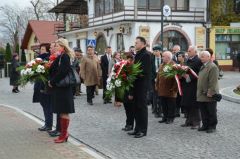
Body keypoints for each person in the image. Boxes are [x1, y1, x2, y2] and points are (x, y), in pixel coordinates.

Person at [48, 38, 75, 143]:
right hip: (60, 88)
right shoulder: (61, 56)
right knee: (61, 112)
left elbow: (62, 72)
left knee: (63, 112)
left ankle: (64, 134)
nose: (56, 47)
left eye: (58, 46)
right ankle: (64, 134)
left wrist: (52, 81)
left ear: (63, 47)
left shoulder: (64, 57)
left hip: (63, 88)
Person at [128, 36, 151, 138]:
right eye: (135, 42)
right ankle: (137, 128)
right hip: (136, 85)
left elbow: (144, 71)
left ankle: (143, 130)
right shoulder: (137, 54)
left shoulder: (146, 55)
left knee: (142, 108)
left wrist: (132, 74)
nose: (135, 44)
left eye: (137, 43)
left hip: (142, 85)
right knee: (136, 107)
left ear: (143, 43)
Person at [197, 51, 219, 133]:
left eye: (203, 56)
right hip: (202, 93)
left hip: (209, 94)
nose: (201, 58)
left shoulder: (212, 67)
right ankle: (205, 125)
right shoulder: (203, 66)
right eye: (200, 56)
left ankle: (212, 126)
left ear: (209, 57)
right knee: (203, 111)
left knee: (211, 111)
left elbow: (213, 81)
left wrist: (210, 92)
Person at [181, 46, 202, 129]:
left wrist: (189, 77)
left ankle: (196, 122)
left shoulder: (198, 60)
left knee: (194, 105)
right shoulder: (187, 60)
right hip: (186, 85)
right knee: (187, 104)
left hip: (194, 85)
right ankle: (189, 121)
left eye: (190, 51)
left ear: (195, 52)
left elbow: (199, 73)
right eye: (188, 51)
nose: (188, 52)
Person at [33, 43, 53, 132]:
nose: (41, 51)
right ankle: (47, 123)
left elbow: (47, 72)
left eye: (43, 49)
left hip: (45, 86)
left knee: (47, 105)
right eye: (40, 49)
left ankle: (48, 125)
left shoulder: (47, 59)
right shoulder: (39, 59)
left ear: (47, 50)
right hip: (39, 85)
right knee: (44, 104)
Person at [156, 51, 178, 124]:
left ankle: (170, 118)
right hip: (162, 89)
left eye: (163, 56)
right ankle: (165, 117)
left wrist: (174, 88)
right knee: (163, 104)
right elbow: (158, 76)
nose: (162, 58)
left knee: (171, 105)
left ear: (168, 57)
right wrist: (156, 85)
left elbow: (176, 79)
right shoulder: (162, 65)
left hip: (170, 89)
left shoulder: (174, 65)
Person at [47, 42, 61, 137]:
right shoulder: (54, 57)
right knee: (57, 108)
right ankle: (57, 128)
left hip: (58, 86)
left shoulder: (60, 56)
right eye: (53, 46)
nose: (53, 48)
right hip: (54, 85)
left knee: (60, 109)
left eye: (55, 46)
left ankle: (59, 129)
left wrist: (52, 81)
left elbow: (60, 72)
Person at [122, 53, 135, 131]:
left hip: (130, 91)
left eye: (128, 59)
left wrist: (131, 93)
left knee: (131, 109)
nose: (127, 61)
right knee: (127, 109)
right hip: (124, 91)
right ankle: (128, 123)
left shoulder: (133, 68)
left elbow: (132, 82)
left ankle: (130, 125)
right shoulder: (123, 67)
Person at [151, 45, 162, 118]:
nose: (155, 52)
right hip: (154, 79)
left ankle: (161, 110)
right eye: (154, 51)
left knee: (161, 95)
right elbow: (150, 69)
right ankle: (155, 110)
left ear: (160, 51)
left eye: (157, 51)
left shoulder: (164, 58)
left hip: (162, 79)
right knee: (155, 95)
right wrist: (154, 78)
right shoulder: (151, 58)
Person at [175, 51, 186, 117]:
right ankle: (177, 111)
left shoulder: (186, 64)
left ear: (183, 57)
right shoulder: (177, 64)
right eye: (178, 56)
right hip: (178, 83)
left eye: (179, 56)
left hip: (184, 83)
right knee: (178, 97)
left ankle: (184, 111)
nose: (178, 58)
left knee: (183, 97)